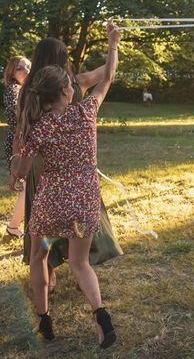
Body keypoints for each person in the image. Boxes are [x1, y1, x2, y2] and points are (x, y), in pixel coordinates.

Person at [9, 21, 121, 348]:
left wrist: (15, 170)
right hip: (85, 198)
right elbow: (108, 77)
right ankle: (101, 316)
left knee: (39, 255)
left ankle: (44, 320)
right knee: (79, 262)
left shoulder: (40, 127)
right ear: (66, 91)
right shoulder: (87, 112)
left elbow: (23, 166)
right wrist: (112, 43)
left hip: (50, 201)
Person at [4, 56, 31, 238]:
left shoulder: (24, 89)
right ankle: (13, 226)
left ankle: (17, 226)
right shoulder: (14, 90)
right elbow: (21, 115)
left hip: (24, 141)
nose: (26, 71)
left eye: (29, 67)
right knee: (27, 186)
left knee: (29, 186)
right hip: (18, 143)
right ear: (12, 73)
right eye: (21, 69)